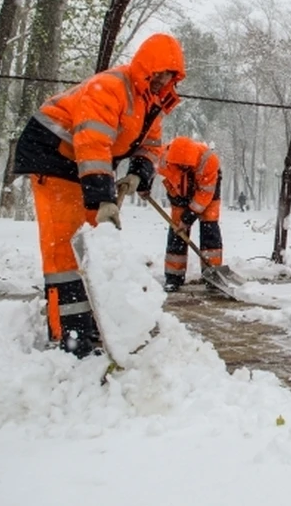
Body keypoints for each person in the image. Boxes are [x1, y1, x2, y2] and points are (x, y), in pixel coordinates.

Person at [13, 33, 185, 357]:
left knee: (91, 248)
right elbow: (92, 143)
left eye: (170, 76)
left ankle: (90, 322)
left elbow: (151, 146)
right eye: (159, 72)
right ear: (145, 67)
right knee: (65, 249)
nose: (163, 80)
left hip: (85, 167)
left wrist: (138, 173)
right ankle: (70, 333)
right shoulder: (111, 87)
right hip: (52, 154)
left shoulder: (154, 103)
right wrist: (103, 198)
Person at [157, 136, 223, 292]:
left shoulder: (209, 161)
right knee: (177, 232)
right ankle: (173, 277)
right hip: (178, 193)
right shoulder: (162, 158)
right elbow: (160, 176)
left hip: (208, 192)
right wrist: (143, 185)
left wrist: (189, 216)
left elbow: (203, 196)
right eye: (180, 166)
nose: (183, 168)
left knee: (209, 228)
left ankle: (212, 275)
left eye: (187, 167)